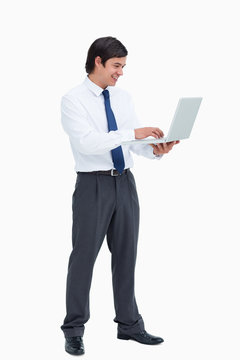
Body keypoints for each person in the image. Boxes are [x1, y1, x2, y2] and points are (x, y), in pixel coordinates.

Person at [60, 36, 179, 356]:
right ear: (97, 61)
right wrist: (133, 134)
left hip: (125, 183)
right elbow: (88, 143)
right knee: (83, 259)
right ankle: (74, 329)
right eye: (116, 66)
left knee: (127, 255)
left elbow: (131, 143)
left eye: (123, 67)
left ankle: (129, 325)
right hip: (92, 186)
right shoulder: (73, 100)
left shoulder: (123, 98)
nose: (120, 73)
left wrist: (155, 150)